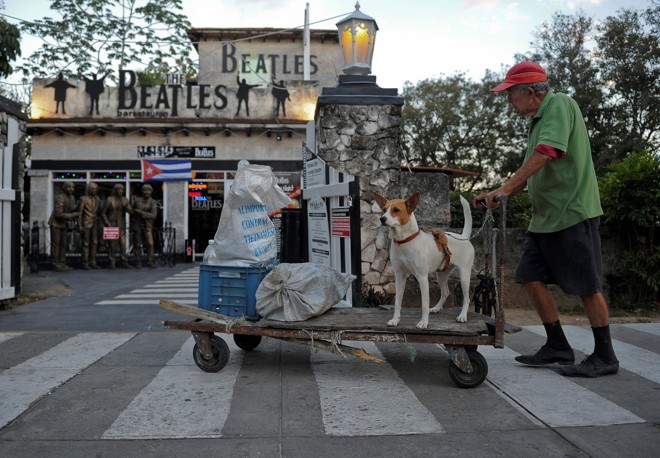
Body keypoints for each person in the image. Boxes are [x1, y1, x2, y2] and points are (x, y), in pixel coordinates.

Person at [474, 61, 619, 378]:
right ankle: (557, 346)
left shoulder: (559, 104)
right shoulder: (536, 121)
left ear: (528, 92)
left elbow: (546, 153)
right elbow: (531, 167)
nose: (509, 102)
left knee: (587, 286)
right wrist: (498, 192)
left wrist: (506, 189)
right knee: (528, 275)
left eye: (510, 95)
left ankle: (606, 356)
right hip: (545, 219)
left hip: (571, 212)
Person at [48, 182, 78, 271]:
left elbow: (70, 208)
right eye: (69, 187)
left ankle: (62, 262)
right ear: (64, 188)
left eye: (72, 187)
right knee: (56, 244)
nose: (71, 189)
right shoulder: (60, 197)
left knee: (63, 244)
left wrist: (78, 206)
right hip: (56, 223)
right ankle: (55, 262)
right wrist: (72, 215)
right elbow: (58, 214)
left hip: (64, 223)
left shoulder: (72, 198)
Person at [103, 183, 133, 269]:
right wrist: (107, 223)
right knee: (112, 245)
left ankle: (124, 261)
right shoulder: (109, 199)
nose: (120, 191)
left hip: (121, 225)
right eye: (118, 189)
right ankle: (112, 261)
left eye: (122, 189)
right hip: (111, 225)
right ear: (114, 190)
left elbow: (131, 212)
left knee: (123, 244)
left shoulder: (125, 200)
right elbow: (103, 213)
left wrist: (127, 207)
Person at [131, 184, 158, 268]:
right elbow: (133, 212)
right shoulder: (137, 201)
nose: (147, 192)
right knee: (137, 244)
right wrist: (143, 214)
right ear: (142, 191)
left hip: (147, 226)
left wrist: (141, 213)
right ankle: (138, 261)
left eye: (148, 190)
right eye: (145, 190)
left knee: (150, 243)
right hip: (137, 225)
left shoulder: (153, 202)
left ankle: (150, 260)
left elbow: (153, 215)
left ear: (151, 192)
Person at [78, 182, 102, 269]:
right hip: (86, 223)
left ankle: (93, 261)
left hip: (95, 223)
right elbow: (80, 213)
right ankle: (85, 262)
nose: (94, 190)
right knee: (86, 243)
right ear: (88, 189)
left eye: (95, 189)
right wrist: (79, 224)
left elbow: (99, 212)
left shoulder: (98, 199)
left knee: (95, 242)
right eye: (92, 188)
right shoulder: (83, 199)